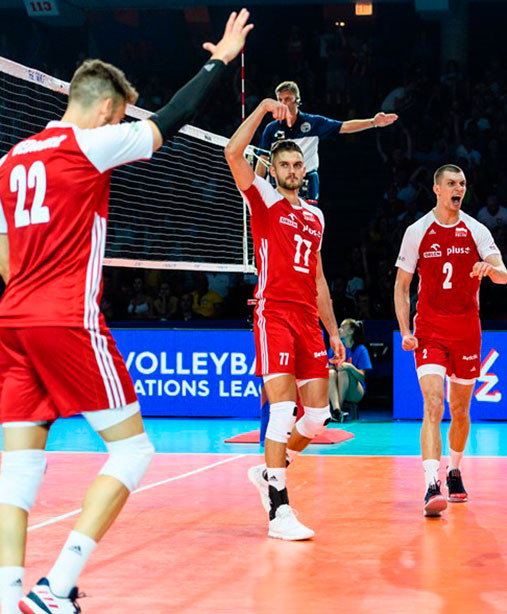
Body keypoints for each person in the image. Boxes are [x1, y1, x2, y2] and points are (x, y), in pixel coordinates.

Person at [0, 10, 252, 613]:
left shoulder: (11, 159)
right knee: (135, 451)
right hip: (66, 318)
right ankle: (57, 585)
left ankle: (9, 598)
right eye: (121, 113)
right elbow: (172, 121)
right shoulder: (94, 141)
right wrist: (219, 60)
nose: (123, 122)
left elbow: (4, 252)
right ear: (109, 108)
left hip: (13, 321)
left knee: (20, 465)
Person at [225, 97, 345, 541]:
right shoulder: (264, 199)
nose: (294, 169)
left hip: (307, 320)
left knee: (316, 417)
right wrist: (259, 109)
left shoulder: (315, 216)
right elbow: (232, 154)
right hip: (272, 311)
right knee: (280, 409)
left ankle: (270, 468)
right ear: (273, 170)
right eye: (286, 164)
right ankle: (279, 510)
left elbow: (318, 278)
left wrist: (332, 331)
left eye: (298, 164)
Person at [394, 164, 507, 516]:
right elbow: (402, 286)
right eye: (451, 183)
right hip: (430, 329)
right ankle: (432, 483)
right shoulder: (418, 231)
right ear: (437, 189)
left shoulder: (476, 230)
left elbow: (504, 275)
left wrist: (490, 269)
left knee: (460, 410)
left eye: (462, 184)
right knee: (433, 404)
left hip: (466, 331)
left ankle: (454, 469)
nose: (458, 188)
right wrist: (406, 331)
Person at [255, 80, 399, 200]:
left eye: (287, 99)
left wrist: (373, 122)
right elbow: (262, 160)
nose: (283, 103)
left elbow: (345, 126)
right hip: (278, 182)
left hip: (306, 180)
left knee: (308, 223)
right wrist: (256, 189)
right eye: (280, 100)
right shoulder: (271, 129)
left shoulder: (313, 123)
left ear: (297, 101)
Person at [328, 318, 372, 420]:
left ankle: (337, 410)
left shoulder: (361, 349)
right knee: (330, 373)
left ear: (351, 332)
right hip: (335, 387)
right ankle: (337, 410)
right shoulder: (335, 347)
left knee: (344, 372)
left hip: (355, 391)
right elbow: (329, 366)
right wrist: (335, 367)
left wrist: (350, 367)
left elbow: (362, 377)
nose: (339, 330)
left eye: (343, 328)